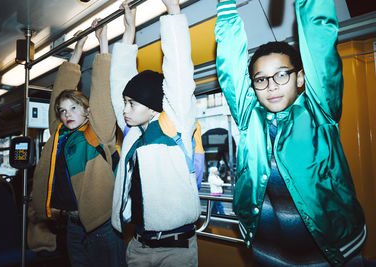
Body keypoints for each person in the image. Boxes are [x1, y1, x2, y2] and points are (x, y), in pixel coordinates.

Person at [215, 0, 366, 266]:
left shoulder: (320, 112)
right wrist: (225, 5)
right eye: (261, 79)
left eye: (281, 75)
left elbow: (319, 38)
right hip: (267, 250)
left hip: (328, 252)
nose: (271, 86)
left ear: (299, 78)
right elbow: (230, 67)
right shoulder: (250, 119)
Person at [110, 0, 203, 266]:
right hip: (138, 246)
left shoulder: (174, 126)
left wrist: (173, 12)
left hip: (176, 248)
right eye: (125, 103)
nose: (124, 109)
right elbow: (120, 84)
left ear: (152, 108)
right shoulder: (133, 134)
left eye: (132, 104)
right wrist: (129, 33)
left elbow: (179, 72)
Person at [29, 18, 126, 267]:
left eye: (74, 108)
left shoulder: (98, 133)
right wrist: (77, 49)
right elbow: (59, 94)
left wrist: (102, 44)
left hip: (102, 226)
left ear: (87, 112)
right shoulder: (59, 135)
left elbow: (103, 94)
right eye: (63, 110)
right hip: (72, 225)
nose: (67, 114)